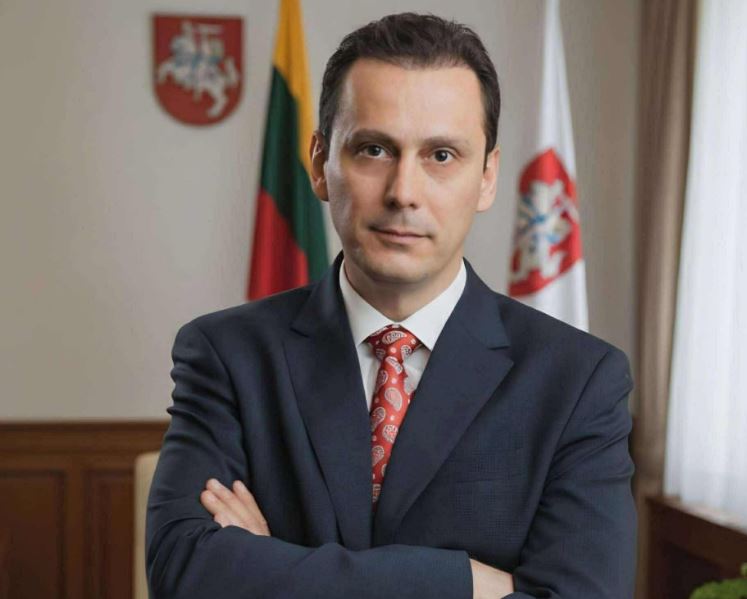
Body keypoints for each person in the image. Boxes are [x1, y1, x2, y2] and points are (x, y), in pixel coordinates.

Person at [146, 12, 636, 599]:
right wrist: (465, 581)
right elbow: (185, 572)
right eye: (374, 149)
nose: (404, 192)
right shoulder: (226, 355)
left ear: (487, 177)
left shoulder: (579, 380)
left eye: (442, 155)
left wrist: (272, 564)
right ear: (320, 163)